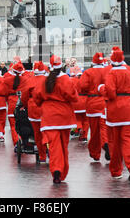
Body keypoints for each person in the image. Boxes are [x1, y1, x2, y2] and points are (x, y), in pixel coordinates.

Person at [100, 48, 130, 181]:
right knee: (129, 139)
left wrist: (101, 89)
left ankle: (116, 171)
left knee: (114, 142)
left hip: (114, 110)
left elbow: (110, 93)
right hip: (129, 108)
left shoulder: (111, 73)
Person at [33, 55, 78, 184]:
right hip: (64, 116)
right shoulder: (66, 80)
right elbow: (73, 97)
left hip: (49, 117)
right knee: (64, 145)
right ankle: (62, 171)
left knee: (54, 146)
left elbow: (36, 98)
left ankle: (56, 169)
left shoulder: (45, 80)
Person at [79, 52, 108, 162]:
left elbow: (82, 86)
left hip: (92, 102)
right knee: (104, 128)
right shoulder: (108, 70)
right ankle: (106, 143)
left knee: (94, 131)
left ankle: (95, 153)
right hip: (105, 102)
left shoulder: (88, 72)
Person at [0, 61, 31, 150]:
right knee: (24, 123)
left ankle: (16, 142)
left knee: (13, 125)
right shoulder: (26, 79)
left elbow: (0, 91)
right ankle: (25, 141)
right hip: (22, 104)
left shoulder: (7, 80)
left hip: (12, 103)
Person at [20, 61, 48, 162]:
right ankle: (47, 141)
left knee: (37, 132)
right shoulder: (48, 80)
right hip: (46, 106)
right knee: (47, 129)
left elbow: (24, 96)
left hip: (33, 107)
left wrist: (24, 105)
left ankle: (42, 156)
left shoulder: (30, 80)